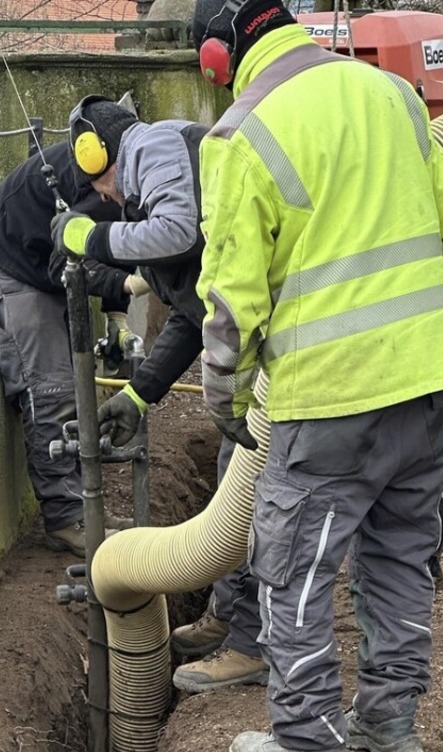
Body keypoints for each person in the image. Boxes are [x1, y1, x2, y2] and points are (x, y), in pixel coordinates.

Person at [191, 0, 443, 752]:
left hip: (328, 395)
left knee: (293, 565)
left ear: (220, 59)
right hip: (424, 381)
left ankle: (308, 737)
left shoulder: (239, 135)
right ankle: (389, 723)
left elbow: (230, 301)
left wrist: (227, 397)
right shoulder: (393, 95)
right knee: (401, 559)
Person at [50, 94, 269, 692]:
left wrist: (90, 239)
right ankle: (231, 619)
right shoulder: (166, 177)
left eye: (103, 188)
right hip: (262, 355)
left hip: (283, 359)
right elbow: (191, 311)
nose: (111, 202)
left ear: (101, 155)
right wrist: (140, 395)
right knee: (237, 482)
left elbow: (169, 236)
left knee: (256, 499)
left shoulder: (152, 147)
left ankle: (253, 644)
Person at [0, 138, 138, 558]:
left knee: (76, 382)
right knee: (51, 388)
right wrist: (121, 285)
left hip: (48, 258)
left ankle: (87, 508)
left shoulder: (137, 178)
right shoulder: (92, 187)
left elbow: (125, 246)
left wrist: (117, 316)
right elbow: (61, 261)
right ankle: (65, 520)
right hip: (13, 261)